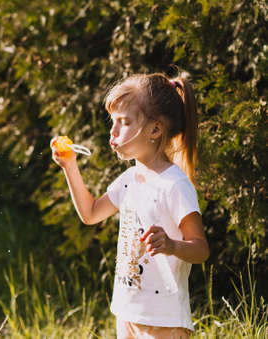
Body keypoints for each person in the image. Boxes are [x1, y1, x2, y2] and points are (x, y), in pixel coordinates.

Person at [51, 72, 209, 339]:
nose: (113, 132)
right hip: (126, 312)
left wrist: (172, 245)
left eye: (124, 122)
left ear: (155, 130)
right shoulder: (129, 181)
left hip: (164, 321)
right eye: (113, 121)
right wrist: (70, 167)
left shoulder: (175, 186)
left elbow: (201, 249)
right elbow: (90, 214)